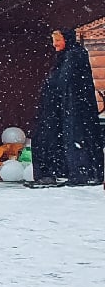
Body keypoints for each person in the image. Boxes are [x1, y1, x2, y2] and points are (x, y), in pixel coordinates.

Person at [32, 28, 105, 186]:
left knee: (78, 136)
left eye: (58, 40)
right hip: (67, 108)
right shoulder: (64, 56)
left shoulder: (75, 54)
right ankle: (71, 171)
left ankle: (82, 173)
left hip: (76, 108)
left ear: (67, 39)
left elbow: (68, 82)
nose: (55, 44)